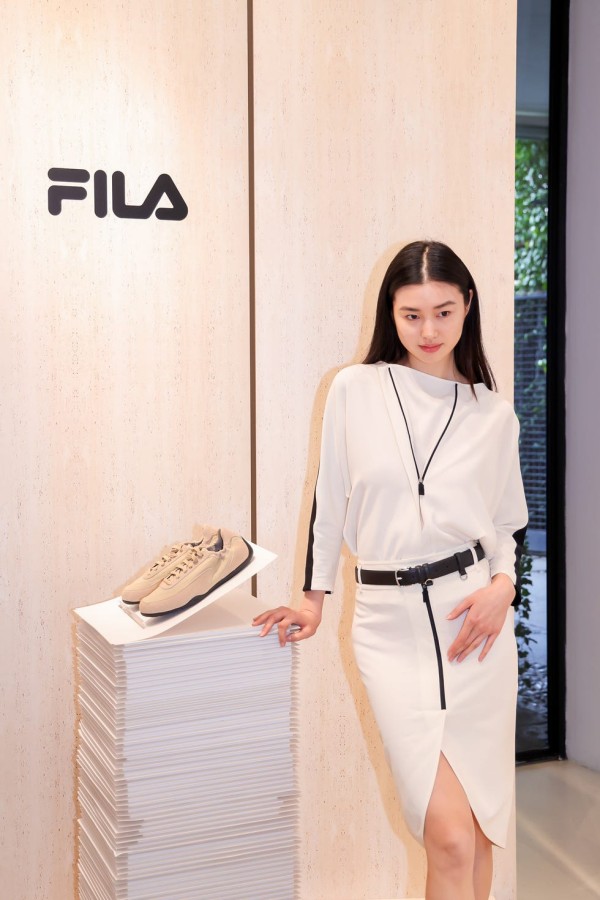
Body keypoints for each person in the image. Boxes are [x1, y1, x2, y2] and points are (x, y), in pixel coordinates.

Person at [252, 240, 528, 900]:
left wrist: (504, 586)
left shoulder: (493, 414)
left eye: (443, 312)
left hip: (475, 627)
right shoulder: (354, 389)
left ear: (468, 307)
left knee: (480, 831)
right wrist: (312, 600)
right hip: (388, 629)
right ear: (391, 313)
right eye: (411, 315)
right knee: (448, 835)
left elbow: (506, 526)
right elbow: (328, 500)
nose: (428, 330)